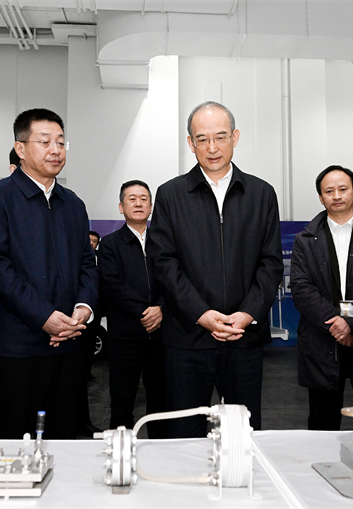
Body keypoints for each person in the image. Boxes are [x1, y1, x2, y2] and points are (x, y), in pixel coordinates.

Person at [147, 101, 283, 438]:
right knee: (183, 434)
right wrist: (201, 314)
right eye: (202, 139)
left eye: (220, 137)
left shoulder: (261, 194)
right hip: (187, 339)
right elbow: (163, 262)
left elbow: (270, 263)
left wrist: (247, 314)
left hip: (243, 338)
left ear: (235, 137)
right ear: (190, 143)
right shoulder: (170, 195)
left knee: (242, 435)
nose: (212, 148)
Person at [0, 108, 98, 439]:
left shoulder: (73, 204)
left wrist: (83, 308)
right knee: (13, 442)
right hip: (17, 350)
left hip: (69, 346)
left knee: (64, 439)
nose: (55, 150)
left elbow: (87, 263)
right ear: (20, 148)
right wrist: (45, 317)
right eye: (45, 142)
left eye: (60, 142)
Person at [291, 166, 353, 430]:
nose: (337, 196)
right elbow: (301, 288)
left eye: (343, 189)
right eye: (329, 191)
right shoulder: (305, 239)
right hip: (322, 337)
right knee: (323, 421)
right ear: (321, 198)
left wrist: (351, 323)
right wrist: (337, 323)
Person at [99, 180, 165, 437]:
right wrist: (146, 311)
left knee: (161, 400)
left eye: (143, 199)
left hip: (161, 336)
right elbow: (112, 284)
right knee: (122, 399)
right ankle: (120, 451)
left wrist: (161, 308)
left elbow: (174, 280)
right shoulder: (110, 244)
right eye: (132, 199)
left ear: (151, 206)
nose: (138, 203)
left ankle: (159, 448)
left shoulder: (164, 242)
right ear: (121, 207)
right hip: (124, 336)